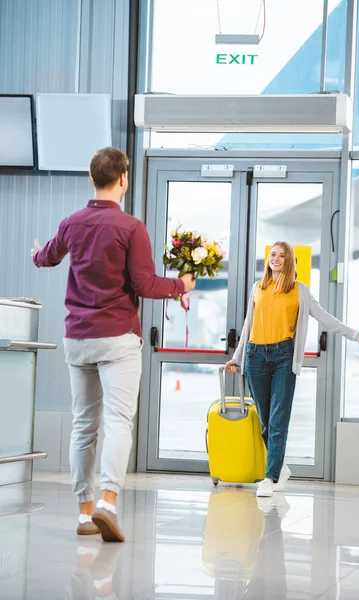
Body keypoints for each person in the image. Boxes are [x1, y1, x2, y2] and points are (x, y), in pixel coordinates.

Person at [31, 147, 196, 542]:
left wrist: (36, 254)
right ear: (123, 179)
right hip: (117, 337)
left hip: (78, 339)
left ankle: (85, 513)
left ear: (93, 178)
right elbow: (145, 284)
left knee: (83, 425)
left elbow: (48, 257)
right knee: (119, 422)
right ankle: (107, 502)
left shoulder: (72, 222)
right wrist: (182, 286)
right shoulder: (130, 227)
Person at [225, 241, 359, 498]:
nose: (276, 259)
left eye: (281, 256)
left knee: (278, 421)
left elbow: (325, 318)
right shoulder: (258, 288)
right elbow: (247, 326)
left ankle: (269, 478)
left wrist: (357, 335)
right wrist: (237, 358)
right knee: (265, 422)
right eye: (273, 255)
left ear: (290, 261)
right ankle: (280, 466)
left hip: (284, 357)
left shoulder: (300, 290)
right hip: (255, 357)